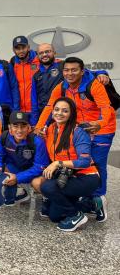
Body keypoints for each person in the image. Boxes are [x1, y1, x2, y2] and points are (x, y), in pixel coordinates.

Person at [35, 57, 114, 222]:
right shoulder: (61, 86)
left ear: (82, 71)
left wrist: (100, 124)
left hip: (102, 129)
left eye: (74, 70)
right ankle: (79, 196)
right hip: (80, 129)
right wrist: (39, 126)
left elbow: (106, 109)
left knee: (97, 164)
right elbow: (50, 106)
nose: (69, 73)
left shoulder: (94, 86)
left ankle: (98, 199)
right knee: (78, 161)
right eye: (66, 70)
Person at [40, 97, 101, 232]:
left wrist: (58, 163)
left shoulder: (78, 131)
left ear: (71, 113)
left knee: (47, 188)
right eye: (56, 110)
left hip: (86, 177)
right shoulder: (50, 129)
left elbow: (84, 162)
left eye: (65, 111)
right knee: (54, 216)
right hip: (66, 176)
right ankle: (92, 204)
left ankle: (76, 215)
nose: (59, 113)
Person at [0, 111, 49, 206]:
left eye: (23, 126)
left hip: (34, 172)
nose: (19, 130)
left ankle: (47, 199)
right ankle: (13, 195)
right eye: (15, 126)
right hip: (16, 167)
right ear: (10, 128)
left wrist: (18, 177)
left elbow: (39, 167)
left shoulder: (37, 141)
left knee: (37, 182)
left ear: (29, 128)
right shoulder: (4, 137)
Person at [29, 43, 63, 126]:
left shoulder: (63, 67)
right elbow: (34, 100)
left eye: (47, 51)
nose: (44, 55)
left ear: (54, 52)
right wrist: (34, 122)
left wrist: (100, 73)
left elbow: (84, 72)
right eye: (41, 53)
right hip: (44, 115)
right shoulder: (36, 75)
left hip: (62, 114)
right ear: (37, 56)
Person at [10, 36, 40, 113]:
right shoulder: (12, 62)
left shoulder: (39, 59)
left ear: (28, 47)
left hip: (37, 108)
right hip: (20, 109)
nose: (21, 51)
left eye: (23, 47)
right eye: (18, 48)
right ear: (14, 50)